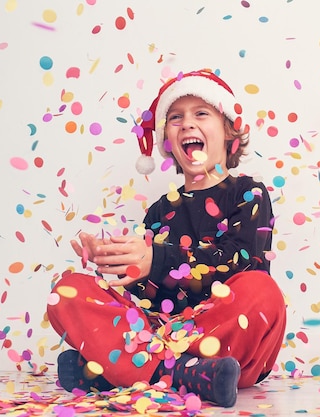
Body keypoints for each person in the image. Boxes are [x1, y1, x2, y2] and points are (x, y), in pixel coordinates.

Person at [46, 69, 287, 408]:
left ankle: (110, 373)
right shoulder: (159, 212)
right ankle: (187, 375)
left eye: (201, 113)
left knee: (263, 292)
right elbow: (147, 302)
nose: (187, 123)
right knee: (68, 290)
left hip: (223, 338)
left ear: (229, 132)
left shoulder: (249, 193)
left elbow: (242, 260)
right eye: (176, 118)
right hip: (163, 332)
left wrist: (155, 259)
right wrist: (117, 264)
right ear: (167, 143)